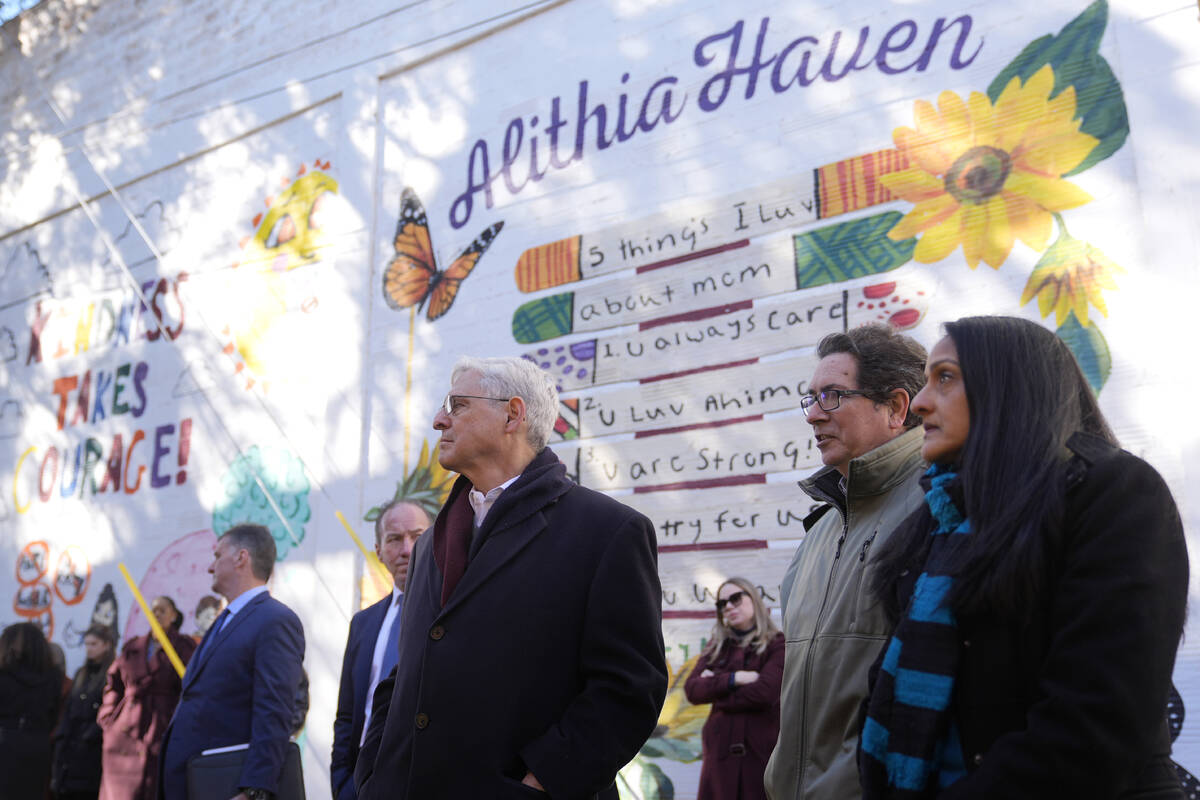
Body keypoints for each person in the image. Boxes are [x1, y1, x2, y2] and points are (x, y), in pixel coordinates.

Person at [859, 316, 1189, 798]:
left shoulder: (1114, 493)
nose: (922, 402)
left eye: (945, 377)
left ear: (1008, 385)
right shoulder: (937, 519)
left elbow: (1096, 725)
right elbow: (883, 703)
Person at [354, 356, 667, 799]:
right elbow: (409, 671)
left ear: (512, 415)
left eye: (458, 404)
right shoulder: (430, 544)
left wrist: (540, 782)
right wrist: (372, 772)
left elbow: (630, 690)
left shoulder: (607, 531)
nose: (439, 419)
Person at [764, 323, 927, 800]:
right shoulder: (818, 533)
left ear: (897, 408)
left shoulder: (939, 510)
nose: (813, 416)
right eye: (811, 398)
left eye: (832, 396)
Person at [159, 524, 305, 800]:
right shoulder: (225, 620)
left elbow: (274, 711)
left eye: (217, 556)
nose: (210, 568)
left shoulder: (275, 620)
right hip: (192, 782)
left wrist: (254, 789)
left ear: (241, 557)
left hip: (226, 787)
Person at [331, 497, 433, 800]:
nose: (406, 549)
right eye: (394, 539)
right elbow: (347, 715)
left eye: (417, 536)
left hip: (424, 776)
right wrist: (342, 782)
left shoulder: (451, 613)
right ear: (378, 551)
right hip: (363, 780)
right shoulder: (364, 623)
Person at [685, 578, 785, 800]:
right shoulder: (716, 647)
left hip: (760, 759)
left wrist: (716, 691)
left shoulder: (777, 644)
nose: (728, 606)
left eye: (735, 599)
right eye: (722, 604)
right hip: (719, 761)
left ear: (753, 599)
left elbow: (765, 692)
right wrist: (734, 678)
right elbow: (692, 690)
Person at [98, 596, 197, 800]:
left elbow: (194, 687)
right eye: (153, 610)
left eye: (162, 610)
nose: (157, 614)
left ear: (173, 616)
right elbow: (113, 683)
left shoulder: (184, 647)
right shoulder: (133, 647)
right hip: (124, 732)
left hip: (161, 728)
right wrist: (108, 716)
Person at [0, 621, 64, 800]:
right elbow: (53, 716)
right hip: (37, 745)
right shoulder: (53, 677)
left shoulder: (4, 673)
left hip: (6, 740)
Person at [51, 624, 116, 800]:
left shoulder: (112, 674)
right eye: (86, 644)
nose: (89, 649)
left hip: (92, 750)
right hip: (70, 748)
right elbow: (69, 709)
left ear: (107, 645)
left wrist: (91, 734)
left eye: (94, 644)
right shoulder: (81, 673)